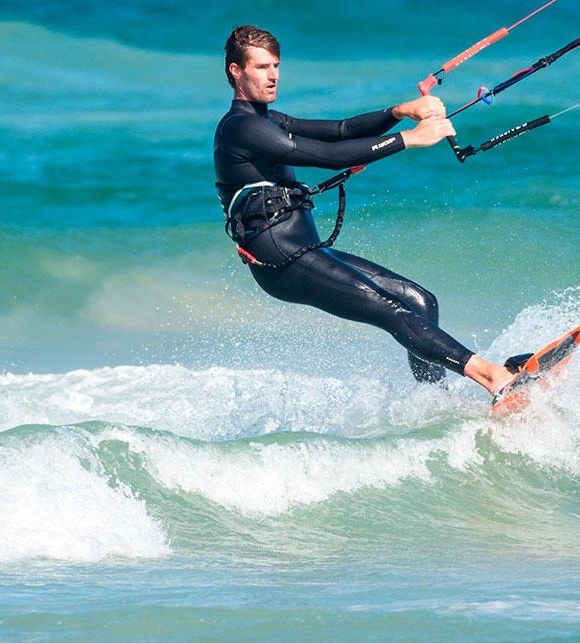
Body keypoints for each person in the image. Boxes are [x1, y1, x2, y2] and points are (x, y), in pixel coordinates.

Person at [213, 24, 522, 395]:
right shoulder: (240, 127)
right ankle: (494, 378)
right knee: (394, 311)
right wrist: (409, 139)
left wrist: (398, 112)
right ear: (236, 71)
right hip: (281, 260)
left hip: (304, 249)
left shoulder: (270, 119)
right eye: (263, 67)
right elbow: (324, 157)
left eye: (276, 65)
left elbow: (341, 131)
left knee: (420, 302)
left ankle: (435, 400)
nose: (274, 75)